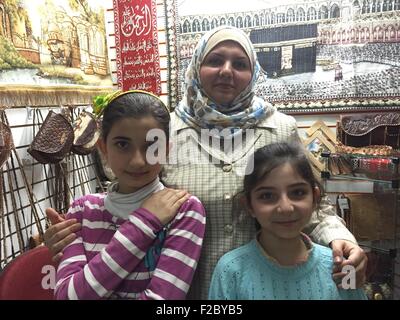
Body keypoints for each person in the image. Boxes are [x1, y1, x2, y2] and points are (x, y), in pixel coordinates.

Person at [44, 26, 367, 299]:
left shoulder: (279, 128)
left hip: (258, 285)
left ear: (253, 72)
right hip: (176, 288)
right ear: (197, 66)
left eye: (239, 63)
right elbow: (134, 185)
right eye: (215, 61)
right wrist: (76, 231)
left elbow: (309, 200)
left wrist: (339, 237)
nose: (227, 71)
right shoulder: (166, 130)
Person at [54, 90, 206, 299]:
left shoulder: (184, 210)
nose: (137, 161)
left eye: (152, 145)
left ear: (167, 149)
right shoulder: (82, 210)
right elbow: (67, 296)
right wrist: (143, 224)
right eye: (122, 145)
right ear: (103, 148)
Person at [208, 142, 367, 300]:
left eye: (298, 192)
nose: (285, 208)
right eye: (267, 196)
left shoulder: (343, 269)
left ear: (315, 198)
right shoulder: (230, 271)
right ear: (249, 205)